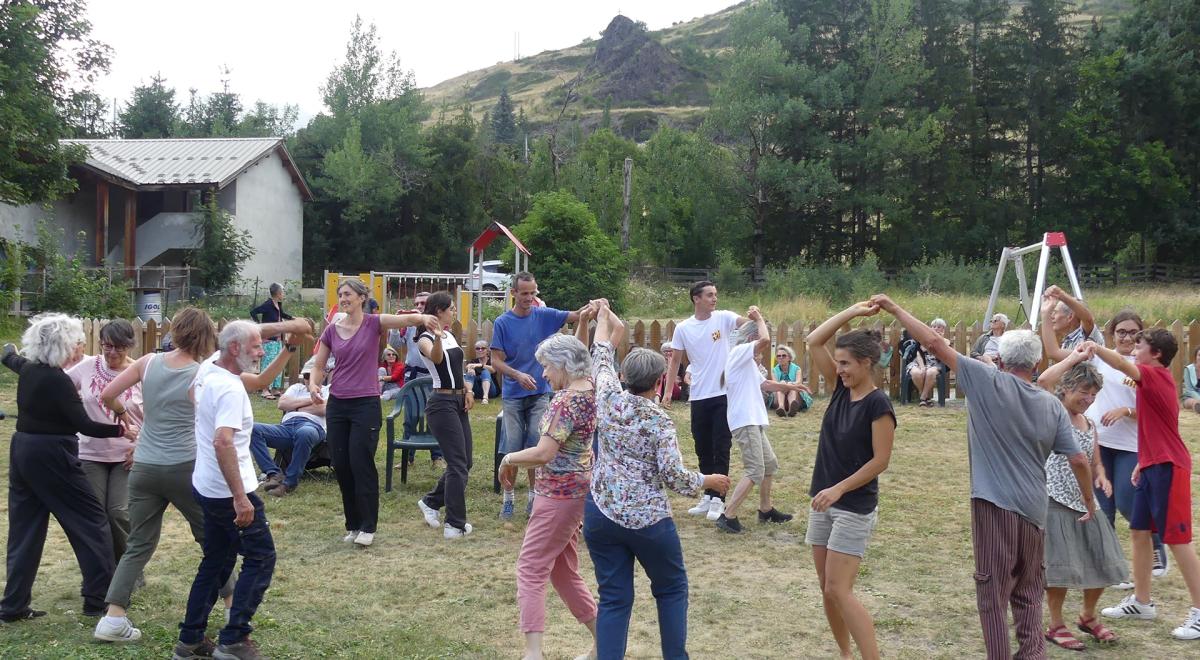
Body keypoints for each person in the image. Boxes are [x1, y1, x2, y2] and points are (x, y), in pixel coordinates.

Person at [872, 293, 1093, 660]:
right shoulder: (1050, 404)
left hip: (995, 505)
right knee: (1029, 588)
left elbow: (934, 343)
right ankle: (1032, 652)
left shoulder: (986, 380)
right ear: (1036, 361)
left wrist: (895, 309)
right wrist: (1088, 501)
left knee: (992, 592)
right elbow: (1079, 460)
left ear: (1002, 360)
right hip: (1035, 511)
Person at [92, 310, 306, 643]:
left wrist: (129, 422)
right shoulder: (204, 373)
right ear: (208, 339)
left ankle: (112, 618)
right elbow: (262, 382)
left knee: (138, 544)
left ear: (175, 332)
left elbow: (106, 395)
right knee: (214, 541)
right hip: (185, 468)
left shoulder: (148, 362)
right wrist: (288, 346)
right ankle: (232, 603)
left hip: (144, 467)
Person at [584, 301, 730, 659]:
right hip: (648, 520)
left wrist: (603, 316)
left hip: (600, 513)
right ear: (658, 380)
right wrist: (708, 480)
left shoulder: (606, 396)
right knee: (671, 589)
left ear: (625, 376)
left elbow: (601, 351)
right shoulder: (659, 421)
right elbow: (673, 477)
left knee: (614, 598)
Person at [0, 316, 136, 623]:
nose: (79, 347)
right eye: (76, 342)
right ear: (62, 345)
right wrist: (120, 432)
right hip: (53, 455)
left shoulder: (30, 369)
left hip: (22, 451)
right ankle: (96, 599)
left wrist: (7, 350)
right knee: (91, 523)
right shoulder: (57, 380)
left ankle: (13, 605)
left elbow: (11, 358)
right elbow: (84, 425)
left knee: (25, 531)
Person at [798, 303, 897, 660]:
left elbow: (880, 461)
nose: (838, 370)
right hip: (823, 502)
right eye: (837, 363)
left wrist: (839, 488)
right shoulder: (841, 391)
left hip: (853, 507)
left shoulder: (878, 405)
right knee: (826, 589)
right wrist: (852, 311)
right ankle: (845, 654)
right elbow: (813, 340)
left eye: (845, 364)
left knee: (840, 590)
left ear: (866, 364)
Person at [309, 278, 439, 547]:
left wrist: (425, 317)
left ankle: (368, 526)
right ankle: (353, 524)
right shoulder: (332, 329)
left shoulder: (373, 322)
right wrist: (313, 383)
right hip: (337, 405)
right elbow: (319, 365)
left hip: (365, 404)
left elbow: (404, 320)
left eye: (348, 294)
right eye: (340, 294)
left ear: (361, 297)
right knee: (342, 465)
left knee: (361, 462)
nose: (343, 298)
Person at [176, 321, 276, 660]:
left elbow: (192, 395)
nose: (262, 351)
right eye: (257, 346)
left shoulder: (207, 369)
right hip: (226, 492)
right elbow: (223, 441)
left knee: (216, 559)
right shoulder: (231, 389)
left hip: (205, 485)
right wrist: (239, 497)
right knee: (261, 557)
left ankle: (189, 641)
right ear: (235, 349)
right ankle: (234, 639)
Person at [497, 331, 599, 660]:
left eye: (546, 367)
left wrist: (509, 458)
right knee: (562, 571)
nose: (543, 374)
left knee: (530, 568)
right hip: (575, 493)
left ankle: (533, 653)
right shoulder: (590, 390)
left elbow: (543, 453)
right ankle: (605, 642)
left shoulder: (566, 400)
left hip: (557, 495)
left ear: (563, 365)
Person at [1093, 330, 1200, 640]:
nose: (1133, 348)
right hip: (1153, 464)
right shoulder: (1153, 379)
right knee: (1140, 532)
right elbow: (1160, 423)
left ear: (1155, 354)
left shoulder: (1154, 374)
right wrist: (1144, 459)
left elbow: (1123, 366)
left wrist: (1095, 346)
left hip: (1169, 468)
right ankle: (1141, 602)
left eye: (1139, 345)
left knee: (1178, 540)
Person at [1034, 349, 1128, 649]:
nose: (1088, 399)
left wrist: (1101, 474)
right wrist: (1075, 357)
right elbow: (1045, 379)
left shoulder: (1089, 423)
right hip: (1055, 498)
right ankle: (1055, 624)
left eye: (1093, 394)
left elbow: (1093, 457)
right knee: (1059, 566)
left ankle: (1087, 616)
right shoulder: (1053, 411)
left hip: (1087, 499)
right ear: (1067, 389)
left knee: (1103, 558)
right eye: (1083, 392)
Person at [491, 272, 590, 521]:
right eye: (524, 293)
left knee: (537, 444)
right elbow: (495, 361)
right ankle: (508, 499)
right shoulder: (503, 323)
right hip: (513, 394)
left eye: (533, 293)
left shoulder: (544, 315)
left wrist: (594, 307)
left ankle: (535, 497)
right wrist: (517, 375)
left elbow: (576, 316)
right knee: (512, 446)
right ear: (513, 293)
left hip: (540, 394)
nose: (529, 298)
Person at [1082, 311, 1169, 583]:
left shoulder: (1146, 367)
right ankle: (1113, 568)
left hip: (1130, 446)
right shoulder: (1100, 358)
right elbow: (1056, 351)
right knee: (1103, 509)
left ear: (1141, 336)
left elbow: (1157, 413)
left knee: (1129, 502)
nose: (1127, 337)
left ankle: (1156, 546)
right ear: (1113, 333)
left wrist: (1126, 410)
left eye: (1133, 333)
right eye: (1121, 331)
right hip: (1100, 444)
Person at [713, 308, 808, 535]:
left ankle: (765, 510)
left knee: (769, 465)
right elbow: (765, 340)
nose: (763, 351)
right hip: (744, 421)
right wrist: (758, 319)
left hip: (753, 420)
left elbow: (765, 385)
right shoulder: (739, 353)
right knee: (755, 470)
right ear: (751, 339)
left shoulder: (748, 363)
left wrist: (790, 387)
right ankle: (727, 516)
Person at [661, 281, 749, 522]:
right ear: (695, 298)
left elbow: (749, 326)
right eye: (709, 295)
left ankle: (719, 498)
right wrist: (668, 392)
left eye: (716, 295)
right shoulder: (683, 328)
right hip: (699, 394)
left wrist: (754, 319)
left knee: (721, 445)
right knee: (702, 446)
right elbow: (675, 363)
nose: (714, 299)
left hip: (723, 393)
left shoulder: (723, 318)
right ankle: (708, 495)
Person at [65, 319, 143, 564]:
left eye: (119, 347)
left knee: (119, 512)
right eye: (107, 346)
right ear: (100, 344)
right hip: (90, 452)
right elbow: (58, 388)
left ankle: (128, 567)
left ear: (130, 345)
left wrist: (141, 446)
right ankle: (100, 567)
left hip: (128, 456)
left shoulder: (141, 372)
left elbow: (158, 414)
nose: (112, 353)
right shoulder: (87, 367)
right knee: (94, 512)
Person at [413, 292, 476, 539]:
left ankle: (430, 502)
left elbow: (458, 368)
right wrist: (437, 338)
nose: (454, 312)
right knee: (457, 464)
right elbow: (437, 358)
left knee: (465, 461)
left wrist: (468, 389)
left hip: (458, 399)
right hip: (441, 403)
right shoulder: (425, 339)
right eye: (451, 308)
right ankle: (454, 525)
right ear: (438, 311)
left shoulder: (450, 334)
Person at [250, 356, 332, 497]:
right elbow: (282, 404)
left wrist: (295, 407)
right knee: (252, 428)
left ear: (322, 374)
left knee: (305, 433)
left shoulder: (329, 389)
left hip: (313, 426)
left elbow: (325, 409)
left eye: (310, 376)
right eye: (306, 376)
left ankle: (289, 482)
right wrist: (312, 399)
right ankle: (273, 474)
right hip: (286, 427)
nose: (307, 379)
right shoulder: (296, 387)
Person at [249, 282, 293, 399]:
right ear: (278, 293)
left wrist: (292, 318)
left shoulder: (278, 304)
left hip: (277, 339)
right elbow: (253, 312)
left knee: (277, 363)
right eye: (282, 292)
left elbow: (281, 314)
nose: (283, 294)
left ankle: (274, 389)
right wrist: (259, 326)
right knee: (268, 363)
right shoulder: (268, 304)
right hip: (269, 340)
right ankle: (265, 389)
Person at [1039, 284, 1104, 361]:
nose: (1052, 316)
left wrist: (1061, 295)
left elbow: (1088, 319)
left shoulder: (1088, 338)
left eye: (1055, 312)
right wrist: (1045, 312)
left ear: (1070, 317)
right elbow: (1053, 353)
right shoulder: (1067, 341)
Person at [906, 318, 947, 407]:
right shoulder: (924, 339)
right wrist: (922, 367)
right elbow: (918, 353)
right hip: (919, 361)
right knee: (916, 373)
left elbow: (943, 356)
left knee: (930, 373)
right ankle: (925, 397)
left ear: (943, 329)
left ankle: (923, 397)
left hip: (935, 363)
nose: (936, 328)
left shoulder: (946, 342)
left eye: (939, 327)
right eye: (933, 326)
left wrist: (940, 340)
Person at [771, 345, 810, 416]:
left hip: (795, 393)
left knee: (791, 385)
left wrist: (789, 385)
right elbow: (775, 384)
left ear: (789, 357)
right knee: (781, 383)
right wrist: (784, 386)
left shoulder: (797, 369)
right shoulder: (774, 370)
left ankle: (792, 406)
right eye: (778, 356)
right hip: (780, 395)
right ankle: (781, 407)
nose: (781, 358)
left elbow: (798, 382)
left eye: (784, 356)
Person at [1182, 346, 1200, 414]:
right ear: (1196, 357)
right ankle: (1197, 406)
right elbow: (1189, 390)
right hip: (1191, 395)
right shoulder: (1188, 369)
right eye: (1199, 355)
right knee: (1191, 402)